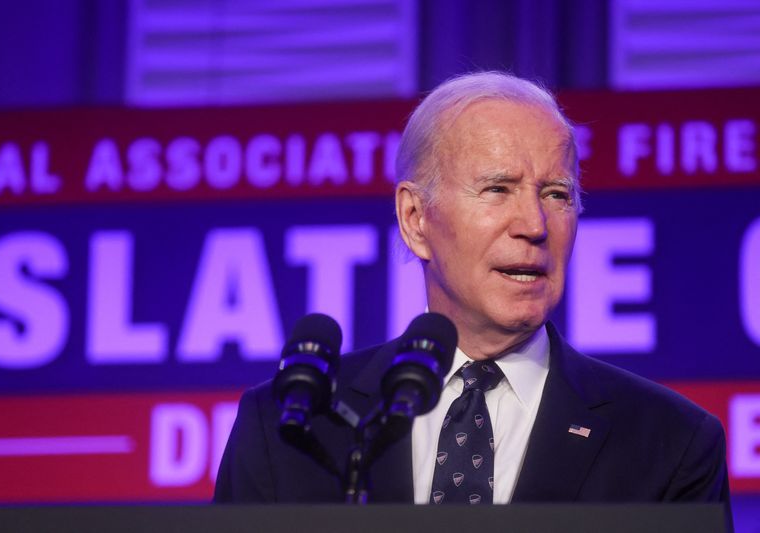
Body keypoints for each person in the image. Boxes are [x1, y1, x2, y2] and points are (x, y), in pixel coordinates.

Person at [214, 71, 731, 527]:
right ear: (416, 219)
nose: (534, 226)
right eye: (498, 189)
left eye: (557, 195)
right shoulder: (291, 426)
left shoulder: (670, 442)